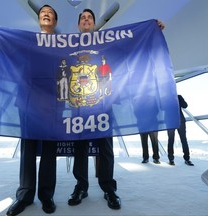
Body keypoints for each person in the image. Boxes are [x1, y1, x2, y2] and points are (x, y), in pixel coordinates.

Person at [0, 5, 58, 215]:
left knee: (49, 152)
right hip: (27, 100)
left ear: (55, 21)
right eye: (43, 11)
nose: (45, 13)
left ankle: (46, 196)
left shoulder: (63, 44)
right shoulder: (25, 40)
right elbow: (4, 52)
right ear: (39, 19)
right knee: (28, 151)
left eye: (50, 13)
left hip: (52, 102)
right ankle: (24, 195)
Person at [67, 9, 121, 210]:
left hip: (103, 104)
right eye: (83, 18)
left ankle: (109, 188)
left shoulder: (105, 43)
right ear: (79, 25)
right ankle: (81, 186)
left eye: (89, 17)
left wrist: (153, 29)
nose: (86, 20)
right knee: (80, 148)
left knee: (105, 149)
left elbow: (127, 47)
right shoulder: (70, 45)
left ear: (94, 23)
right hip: (79, 107)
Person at [167, 95, 194, 166]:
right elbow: (162, 109)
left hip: (180, 121)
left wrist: (178, 99)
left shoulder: (178, 97)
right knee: (171, 140)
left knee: (183, 139)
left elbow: (185, 105)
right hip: (170, 122)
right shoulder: (165, 98)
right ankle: (171, 159)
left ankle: (187, 159)